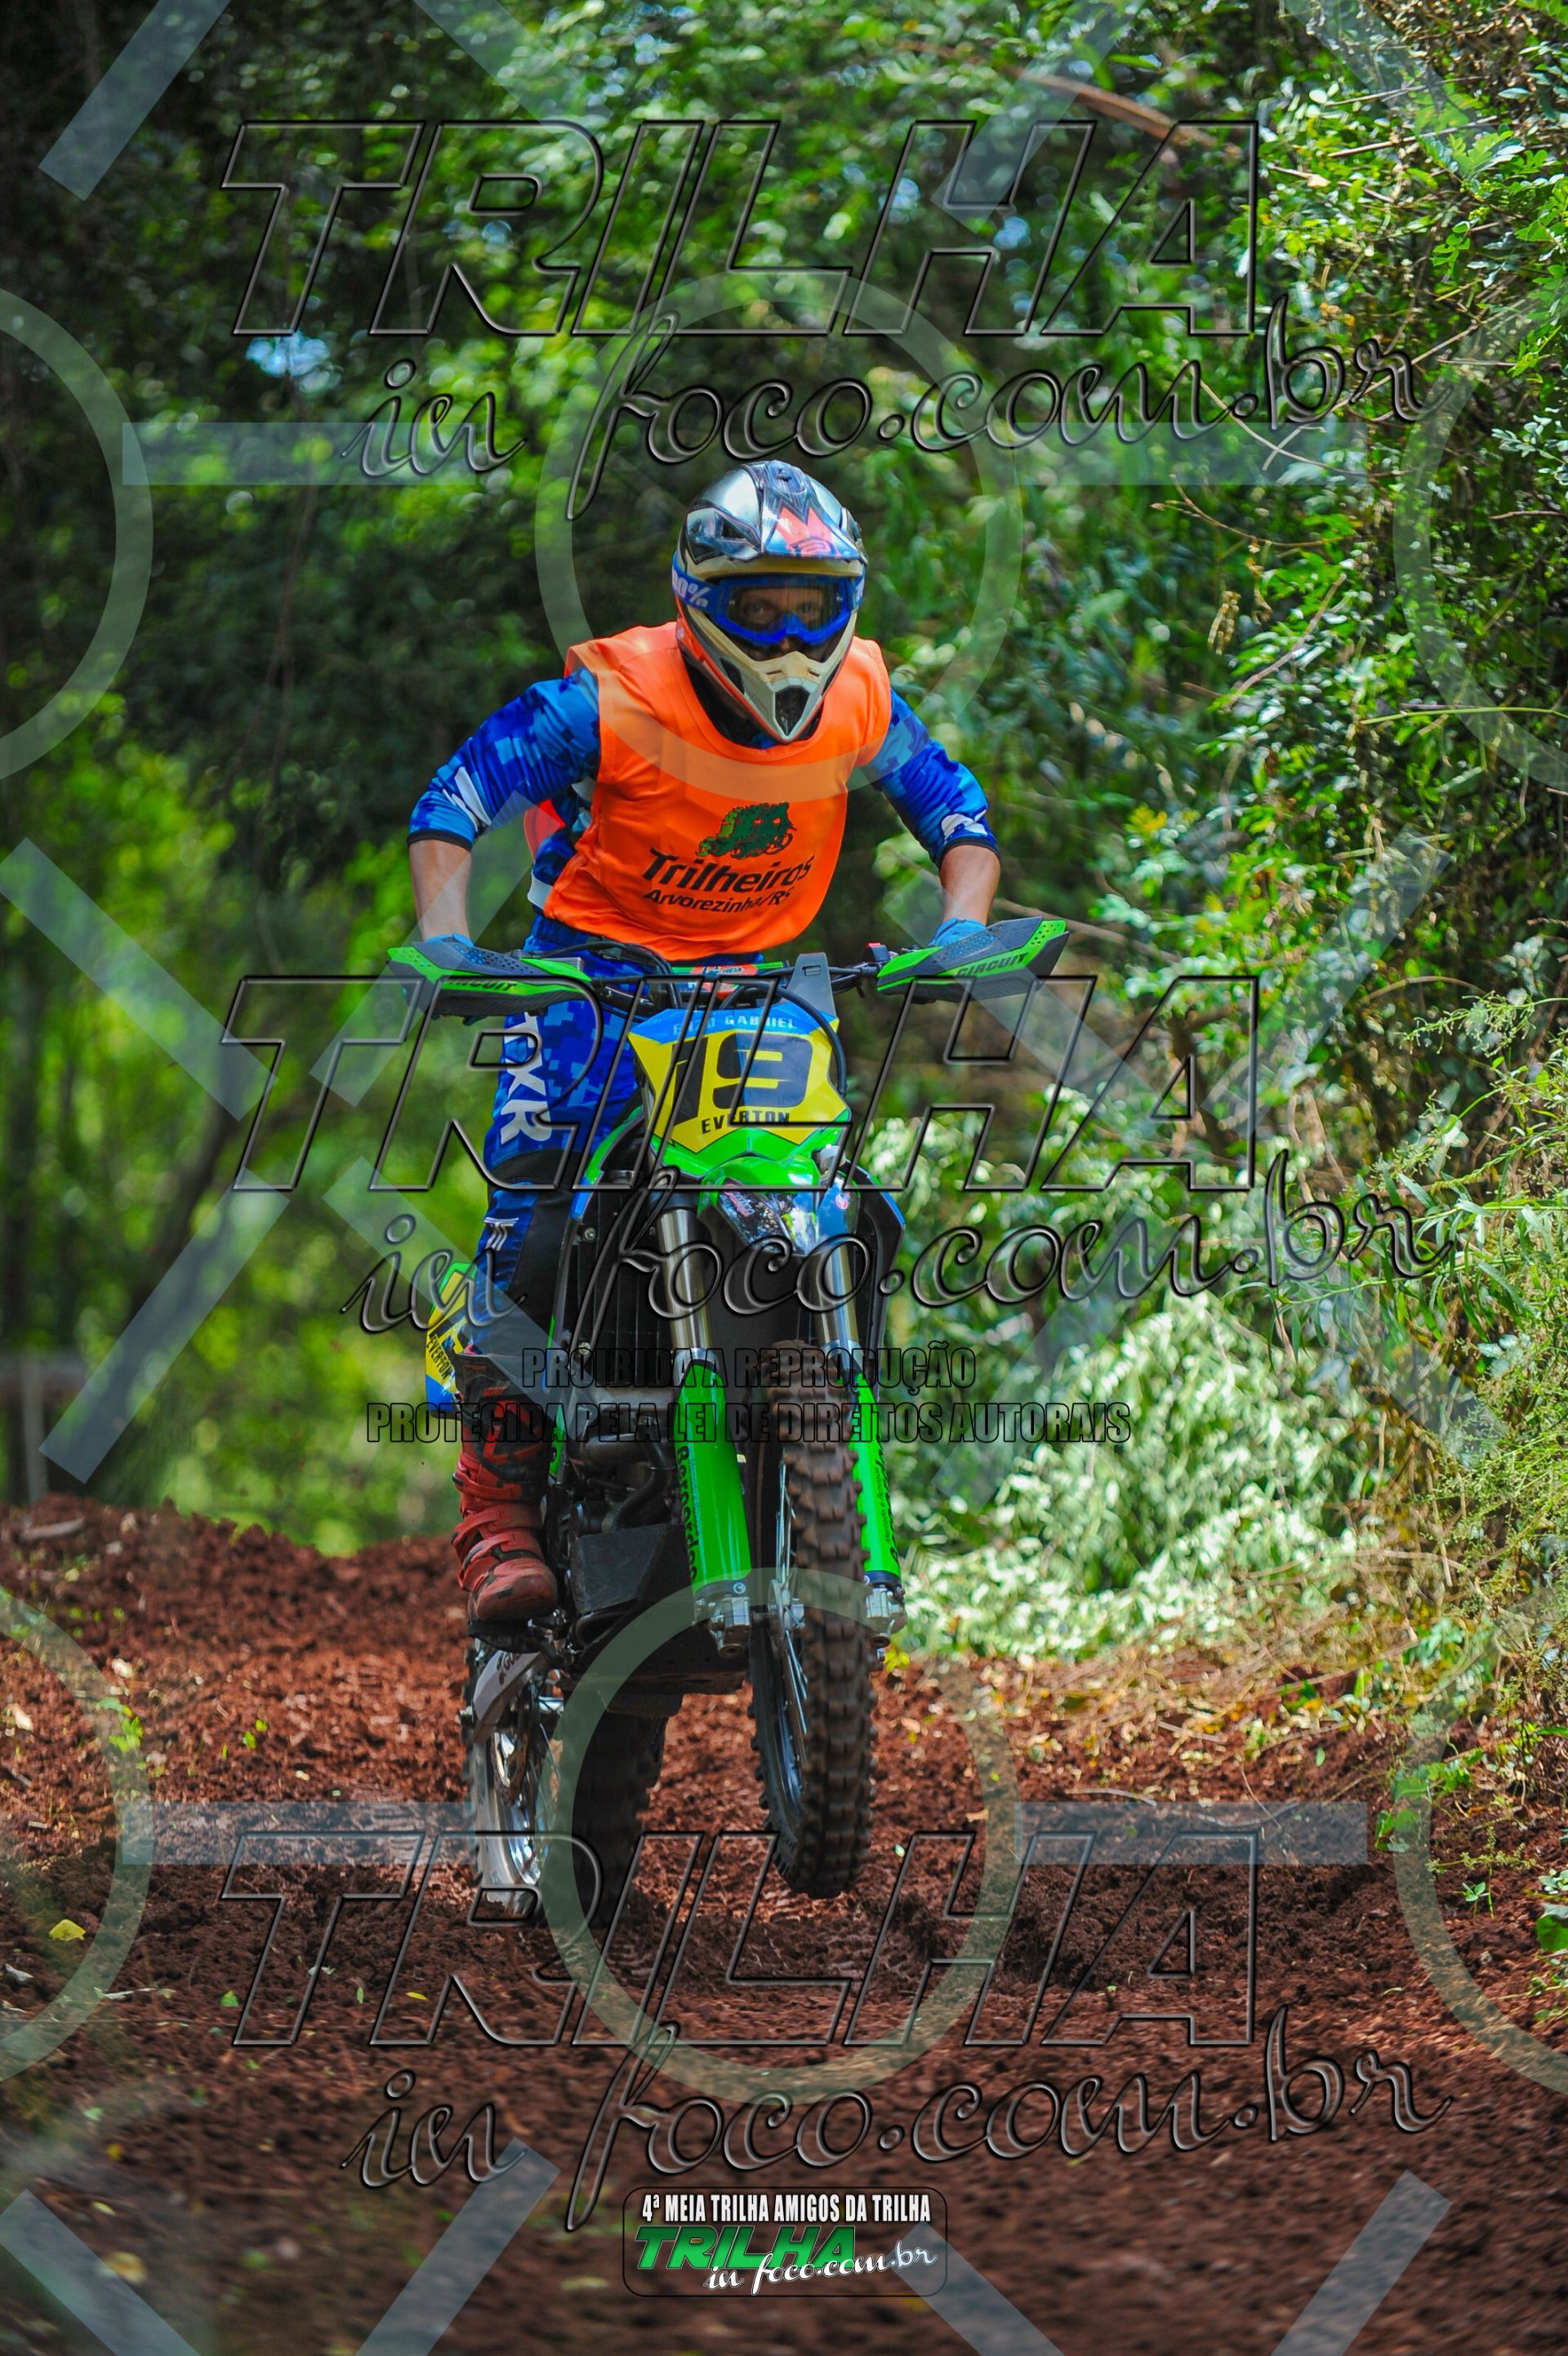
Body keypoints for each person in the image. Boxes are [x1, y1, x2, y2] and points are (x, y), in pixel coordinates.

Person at [408, 459, 1002, 1623]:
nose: (790, 638)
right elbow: (455, 798)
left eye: (812, 606)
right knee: (532, 1226)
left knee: (840, 1203)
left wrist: (964, 929)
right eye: (757, 606)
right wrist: (448, 944)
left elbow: (957, 814)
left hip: (759, 994)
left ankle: (826, 1436)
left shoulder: (861, 700)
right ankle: (496, 1517)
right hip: (588, 985)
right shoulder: (610, 700)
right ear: (696, 601)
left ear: (848, 604)